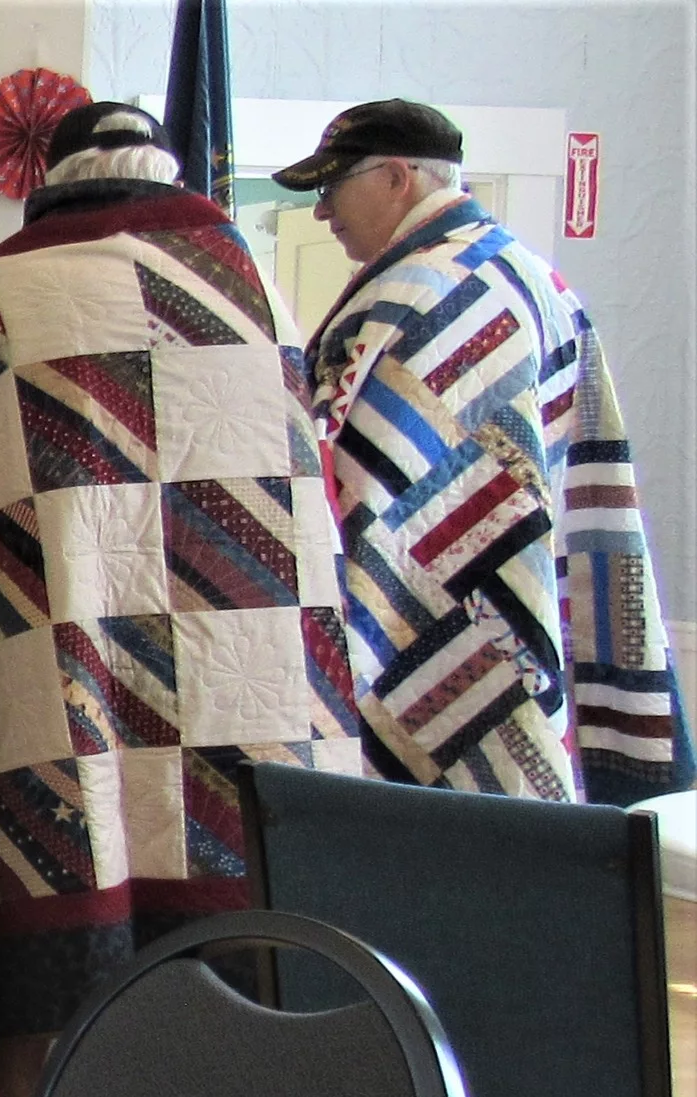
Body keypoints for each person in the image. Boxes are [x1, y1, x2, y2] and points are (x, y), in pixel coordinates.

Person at [0, 102, 354, 1097]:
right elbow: (301, 487)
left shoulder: (10, 282)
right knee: (234, 861)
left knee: (51, 853)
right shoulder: (243, 273)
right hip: (244, 638)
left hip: (60, 640)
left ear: (51, 176)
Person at [282, 98, 686, 805]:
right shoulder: (529, 274)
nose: (321, 211)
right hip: (509, 590)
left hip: (422, 609)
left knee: (409, 824)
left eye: (332, 186)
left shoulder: (412, 291)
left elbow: (347, 481)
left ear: (397, 177)